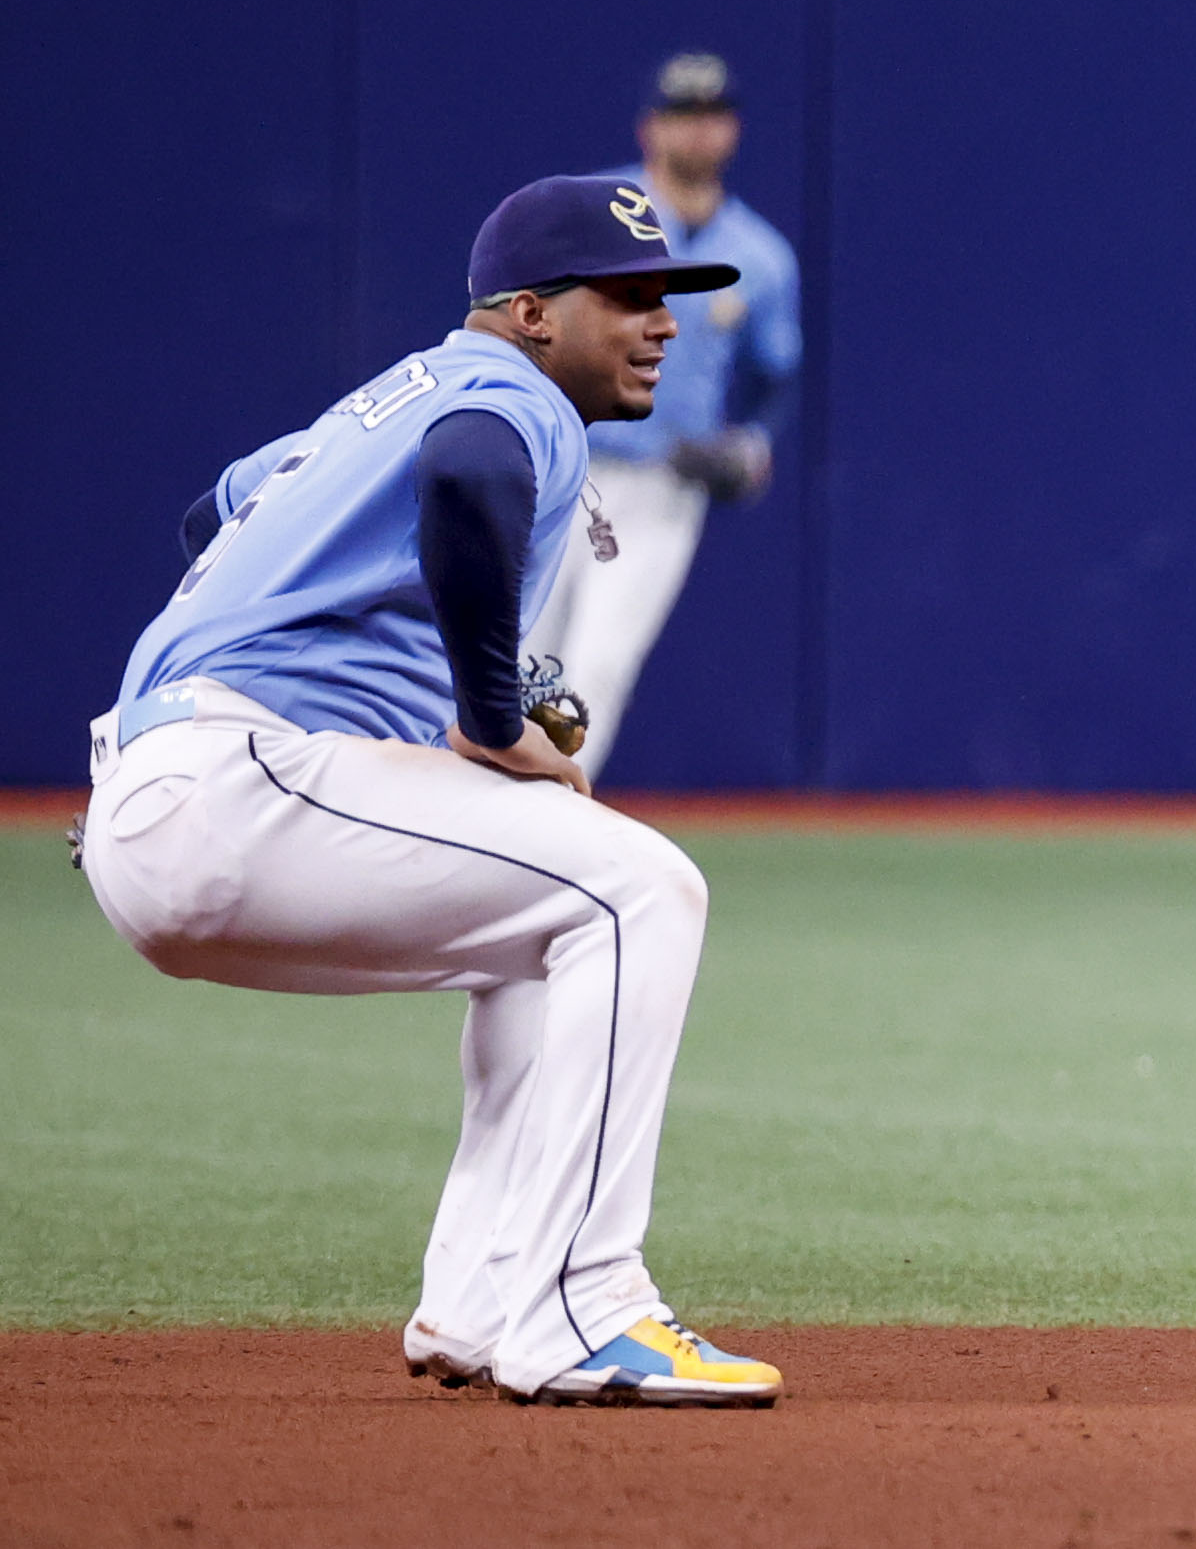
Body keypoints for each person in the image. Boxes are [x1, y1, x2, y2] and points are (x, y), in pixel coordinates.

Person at [75, 174, 786, 1405]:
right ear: (527, 312)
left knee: (544, 926)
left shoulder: (366, 412)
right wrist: (491, 719)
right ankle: (586, 1308)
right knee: (641, 888)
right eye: (627, 296)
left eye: (669, 295)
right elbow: (467, 479)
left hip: (175, 786)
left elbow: (216, 515)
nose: (662, 320)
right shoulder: (510, 396)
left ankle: (482, 1301)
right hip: (240, 780)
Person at [525, 52, 801, 779]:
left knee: (600, 662)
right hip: (563, 468)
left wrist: (751, 442)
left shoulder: (760, 255)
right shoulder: (593, 217)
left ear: (732, 131)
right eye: (683, 115)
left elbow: (775, 377)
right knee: (521, 656)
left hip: (660, 484)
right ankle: (483, 816)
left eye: (711, 116)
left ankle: (550, 820)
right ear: (651, 128)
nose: (697, 132)